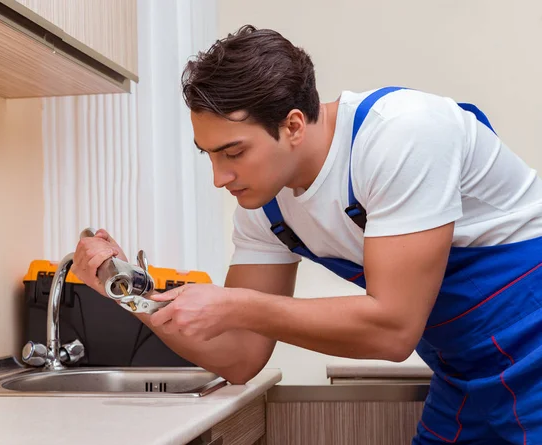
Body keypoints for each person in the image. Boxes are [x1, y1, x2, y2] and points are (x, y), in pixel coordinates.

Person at [72, 25, 542, 444]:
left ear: (293, 124)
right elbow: (239, 357)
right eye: (208, 155)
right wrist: (125, 293)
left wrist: (236, 305)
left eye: (233, 152)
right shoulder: (266, 206)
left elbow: (394, 330)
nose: (219, 177)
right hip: (466, 377)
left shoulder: (403, 136)